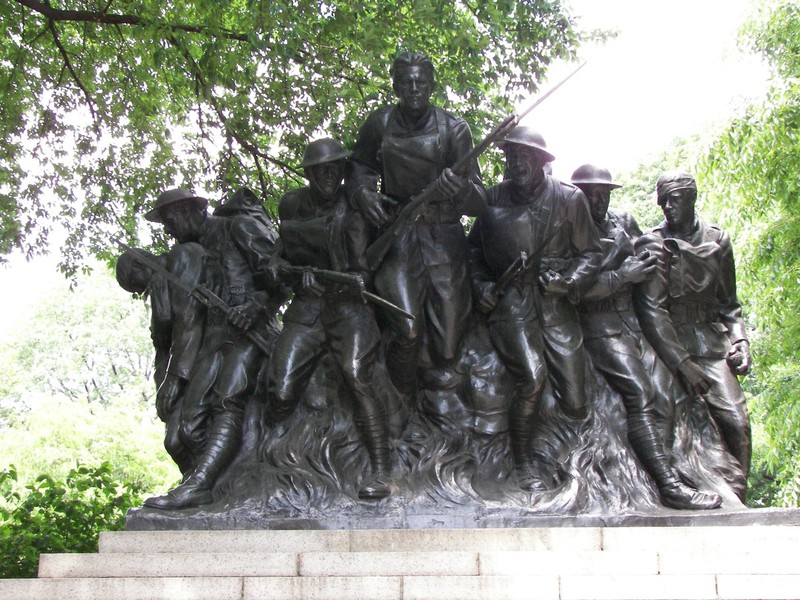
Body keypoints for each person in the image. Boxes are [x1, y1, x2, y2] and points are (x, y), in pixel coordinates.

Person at [571, 164, 721, 509]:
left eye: (603, 193)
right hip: (600, 324)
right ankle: (669, 487)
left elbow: (647, 256)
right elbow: (571, 290)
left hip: (634, 320)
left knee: (668, 395)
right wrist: (621, 277)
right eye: (589, 193)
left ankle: (675, 472)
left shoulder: (622, 221)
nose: (597, 200)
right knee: (641, 395)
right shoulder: (567, 230)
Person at [468, 127, 602, 491]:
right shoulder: (492, 198)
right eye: (511, 157)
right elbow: (473, 253)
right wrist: (481, 286)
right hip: (511, 302)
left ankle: (561, 458)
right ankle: (522, 461)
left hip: (556, 304)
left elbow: (591, 253)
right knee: (532, 377)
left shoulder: (570, 200)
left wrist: (569, 282)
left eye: (524, 157)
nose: (515, 163)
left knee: (574, 400)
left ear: (542, 161)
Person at [347, 50, 486, 399]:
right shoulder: (379, 123)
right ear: (395, 85)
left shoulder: (455, 129)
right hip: (398, 237)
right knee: (406, 328)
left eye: (420, 82)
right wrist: (363, 194)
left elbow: (480, 201)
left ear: (432, 85)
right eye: (406, 81)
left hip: (444, 239)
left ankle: (435, 397)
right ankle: (400, 405)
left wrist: (461, 189)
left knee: (448, 345)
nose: (413, 88)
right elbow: (358, 168)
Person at [265, 138, 393, 500]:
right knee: (281, 388)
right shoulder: (291, 204)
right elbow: (278, 255)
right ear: (308, 173)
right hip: (307, 308)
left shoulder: (356, 205)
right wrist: (283, 271)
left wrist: (359, 279)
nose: (329, 175)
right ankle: (274, 466)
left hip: (349, 306)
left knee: (357, 375)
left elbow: (376, 262)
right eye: (321, 169)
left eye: (335, 168)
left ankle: (381, 467)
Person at [142, 187, 283, 509]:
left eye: (170, 219)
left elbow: (280, 275)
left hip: (252, 334)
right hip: (214, 340)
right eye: (164, 222)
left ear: (192, 210)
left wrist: (257, 305)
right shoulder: (189, 252)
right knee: (187, 427)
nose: (168, 228)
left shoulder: (237, 227)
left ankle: (200, 486)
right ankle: (212, 487)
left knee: (228, 399)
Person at [634, 171, 752, 488]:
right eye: (663, 202)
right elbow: (652, 309)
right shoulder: (653, 243)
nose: (668, 208)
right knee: (663, 421)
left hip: (713, 345)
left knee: (736, 421)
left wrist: (740, 341)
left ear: (691, 198)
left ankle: (737, 498)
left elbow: (730, 304)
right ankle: (674, 491)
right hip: (668, 346)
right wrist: (682, 363)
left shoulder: (717, 240)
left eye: (674, 199)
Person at [115, 243, 207, 477]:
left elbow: (187, 322)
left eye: (136, 284)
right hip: (183, 366)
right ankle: (194, 483)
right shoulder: (157, 287)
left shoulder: (179, 261)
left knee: (188, 432)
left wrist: (173, 380)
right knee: (174, 441)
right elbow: (161, 346)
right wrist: (162, 386)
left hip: (207, 355)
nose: (140, 292)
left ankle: (207, 484)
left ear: (138, 264)